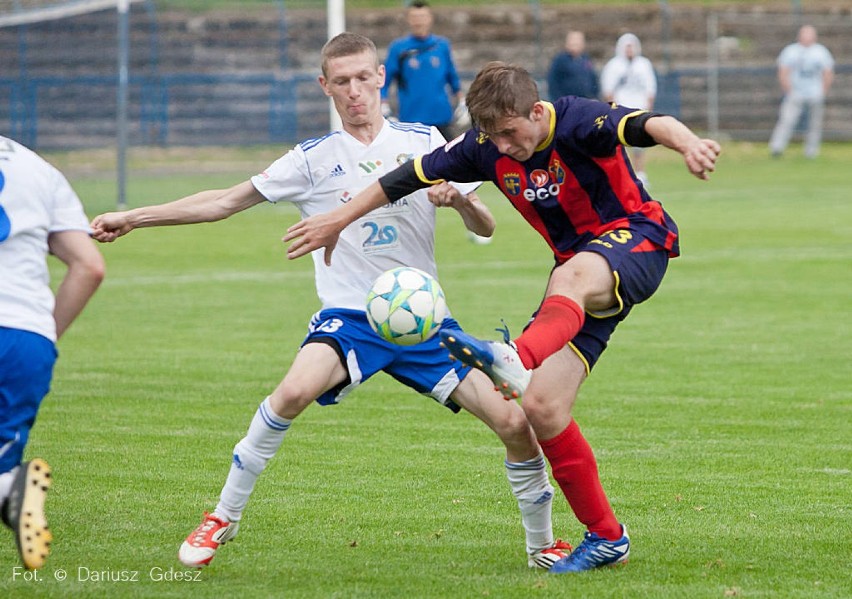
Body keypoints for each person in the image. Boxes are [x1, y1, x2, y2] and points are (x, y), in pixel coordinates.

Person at [90, 34, 570, 571]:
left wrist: (457, 199)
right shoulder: (312, 160)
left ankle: (542, 545)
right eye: (341, 82)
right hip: (351, 317)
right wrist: (133, 217)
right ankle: (222, 517)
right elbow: (223, 202)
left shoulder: (424, 141)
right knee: (291, 392)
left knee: (515, 424)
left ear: (382, 77)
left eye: (364, 78)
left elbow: (486, 226)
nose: (355, 92)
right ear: (326, 87)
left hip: (425, 323)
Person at [283, 60, 720, 574]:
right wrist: (337, 218)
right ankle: (606, 536)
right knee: (541, 406)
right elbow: (400, 179)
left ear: (536, 111)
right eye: (492, 136)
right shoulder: (485, 146)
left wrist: (687, 143)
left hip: (639, 239)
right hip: (576, 280)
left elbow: (650, 123)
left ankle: (512, 356)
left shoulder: (578, 119)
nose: (504, 146)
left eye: (511, 133)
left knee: (572, 278)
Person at [0, 135, 105, 570]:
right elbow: (89, 266)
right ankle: (9, 488)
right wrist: (43, 336)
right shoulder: (37, 167)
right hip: (26, 337)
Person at [381, 0, 464, 142]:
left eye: (422, 17)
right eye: (414, 17)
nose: (418, 22)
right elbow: (385, 80)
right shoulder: (399, 48)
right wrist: (383, 103)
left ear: (430, 18)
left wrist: (462, 101)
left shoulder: (441, 45)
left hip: (441, 117)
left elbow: (452, 76)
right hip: (411, 119)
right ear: (408, 20)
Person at [768, 24, 834, 159]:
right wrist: (789, 90)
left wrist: (823, 91)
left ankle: (811, 152)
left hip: (815, 93)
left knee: (814, 124)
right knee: (786, 120)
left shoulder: (821, 52)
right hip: (795, 93)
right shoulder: (791, 51)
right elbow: (783, 71)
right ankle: (777, 148)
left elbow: (828, 72)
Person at [600, 33, 657, 187]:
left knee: (640, 144)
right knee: (620, 144)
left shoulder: (643, 64)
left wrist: (648, 106)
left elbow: (650, 87)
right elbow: (608, 88)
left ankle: (640, 173)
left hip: (639, 108)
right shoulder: (614, 65)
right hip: (621, 110)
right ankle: (623, 174)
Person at [547, 30, 599, 101]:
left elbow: (593, 78)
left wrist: (595, 95)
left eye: (578, 41)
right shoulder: (560, 60)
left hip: (585, 101)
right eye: (573, 41)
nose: (575, 44)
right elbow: (553, 82)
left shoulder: (586, 59)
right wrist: (560, 101)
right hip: (568, 102)